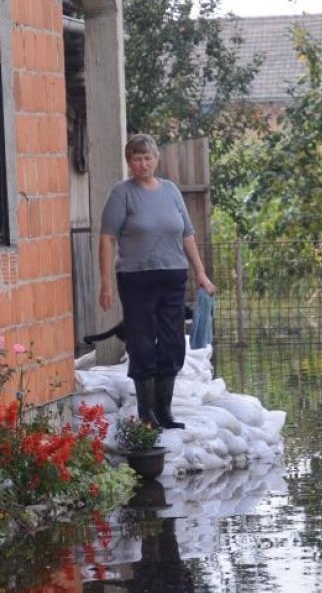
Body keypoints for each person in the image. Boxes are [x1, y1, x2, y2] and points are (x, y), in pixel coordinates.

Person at [99, 133, 217, 430]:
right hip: (136, 279)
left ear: (156, 159)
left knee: (173, 343)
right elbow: (107, 238)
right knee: (141, 343)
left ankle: (164, 411)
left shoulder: (171, 191)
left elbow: (187, 233)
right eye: (137, 159)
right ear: (129, 162)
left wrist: (200, 273)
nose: (143, 164)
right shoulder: (122, 193)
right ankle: (146, 412)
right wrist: (106, 283)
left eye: (148, 158)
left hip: (173, 276)